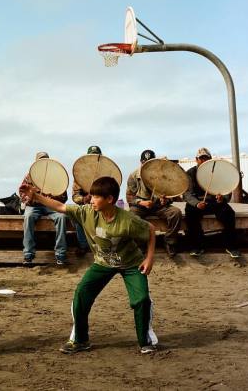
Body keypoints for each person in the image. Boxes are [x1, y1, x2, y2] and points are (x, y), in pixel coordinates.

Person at [20, 176, 158, 354]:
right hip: (103, 263)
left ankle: (145, 341)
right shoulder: (86, 212)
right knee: (81, 295)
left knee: (141, 300)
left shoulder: (128, 220)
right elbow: (60, 207)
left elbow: (151, 230)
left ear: (109, 199)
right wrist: (36, 195)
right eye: (91, 196)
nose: (91, 200)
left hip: (131, 264)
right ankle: (80, 340)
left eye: (96, 197)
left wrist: (149, 258)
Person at [183, 147, 240, 258]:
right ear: (196, 159)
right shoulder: (190, 173)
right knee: (190, 213)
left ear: (210, 159)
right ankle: (197, 246)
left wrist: (223, 198)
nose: (204, 161)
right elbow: (187, 193)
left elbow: (227, 188)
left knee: (228, 213)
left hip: (215, 202)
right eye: (201, 158)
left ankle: (231, 246)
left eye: (206, 158)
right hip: (198, 202)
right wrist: (196, 203)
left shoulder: (218, 171)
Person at [126, 149, 182, 257]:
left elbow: (171, 194)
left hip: (159, 206)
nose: (147, 164)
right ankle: (140, 244)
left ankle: (169, 242)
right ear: (141, 162)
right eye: (144, 162)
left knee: (176, 213)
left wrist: (165, 200)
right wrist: (141, 202)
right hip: (140, 206)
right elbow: (129, 197)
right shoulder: (133, 176)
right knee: (132, 216)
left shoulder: (162, 175)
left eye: (150, 162)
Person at [19, 152, 68, 266]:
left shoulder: (56, 176)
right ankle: (28, 255)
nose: (43, 162)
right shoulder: (29, 176)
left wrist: (52, 197)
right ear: (36, 162)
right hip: (34, 206)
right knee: (28, 217)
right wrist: (32, 197)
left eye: (45, 160)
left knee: (62, 217)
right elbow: (22, 194)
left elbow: (64, 197)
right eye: (41, 160)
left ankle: (61, 254)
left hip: (51, 206)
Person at [71, 145, 102, 257]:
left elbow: (113, 193)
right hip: (86, 206)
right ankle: (83, 246)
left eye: (96, 157)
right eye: (91, 157)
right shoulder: (80, 175)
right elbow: (75, 196)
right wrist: (84, 199)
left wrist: (99, 198)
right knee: (77, 216)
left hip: (102, 206)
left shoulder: (107, 174)